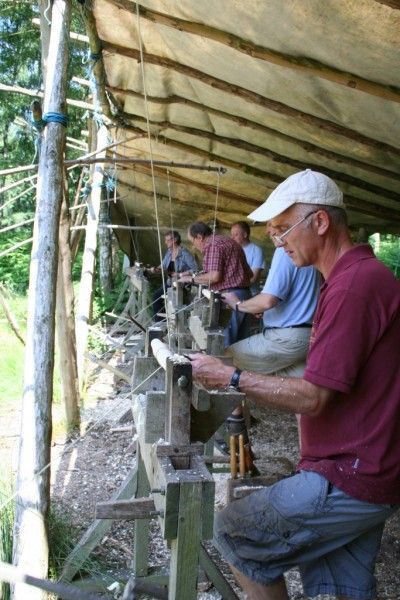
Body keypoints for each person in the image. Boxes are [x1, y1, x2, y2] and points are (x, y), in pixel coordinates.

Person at [189, 169, 400, 600]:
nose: (278, 241)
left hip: (353, 473)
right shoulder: (348, 280)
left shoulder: (353, 287)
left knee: (235, 532)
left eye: (284, 229)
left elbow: (314, 396)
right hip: (360, 466)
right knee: (343, 589)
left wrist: (229, 376)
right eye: (272, 231)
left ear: (320, 222)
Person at [179, 221, 253, 346]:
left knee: (225, 343)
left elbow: (214, 276)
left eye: (193, 242)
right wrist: (196, 275)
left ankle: (224, 365)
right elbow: (249, 274)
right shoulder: (228, 241)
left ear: (199, 237)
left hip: (230, 297)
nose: (194, 246)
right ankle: (238, 366)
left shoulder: (213, 245)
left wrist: (190, 279)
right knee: (242, 344)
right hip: (244, 294)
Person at [150, 230, 197, 320]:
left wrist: (180, 274)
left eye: (167, 240)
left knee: (173, 305)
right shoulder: (169, 252)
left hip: (182, 285)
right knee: (156, 297)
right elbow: (163, 265)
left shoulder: (185, 253)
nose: (165, 242)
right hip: (170, 283)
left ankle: (169, 324)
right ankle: (160, 323)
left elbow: (195, 269)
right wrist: (156, 269)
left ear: (174, 240)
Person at [231, 221, 265, 295]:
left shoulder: (256, 250)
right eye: (232, 235)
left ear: (245, 234)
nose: (232, 238)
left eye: (236, 235)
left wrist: (230, 284)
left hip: (250, 294)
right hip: (232, 292)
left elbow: (253, 278)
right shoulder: (232, 250)